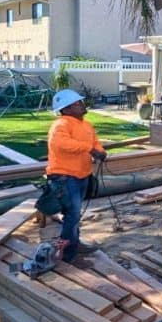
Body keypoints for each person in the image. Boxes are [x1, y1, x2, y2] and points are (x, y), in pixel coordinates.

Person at [46, 89, 106, 262]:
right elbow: (62, 144)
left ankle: (74, 243)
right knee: (72, 215)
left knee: (75, 214)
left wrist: (100, 151)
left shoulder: (86, 125)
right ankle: (68, 255)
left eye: (80, 102)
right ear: (66, 109)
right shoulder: (61, 125)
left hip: (82, 175)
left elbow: (95, 142)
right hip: (64, 177)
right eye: (77, 103)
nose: (81, 105)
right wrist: (89, 149)